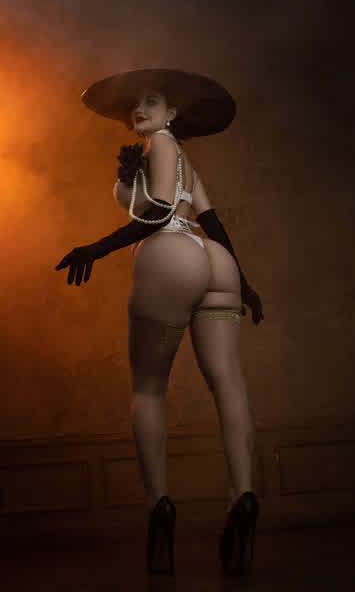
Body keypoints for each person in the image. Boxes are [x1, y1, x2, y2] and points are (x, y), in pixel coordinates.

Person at [54, 68, 264, 576]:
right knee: (229, 382)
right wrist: (243, 282)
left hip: (171, 253)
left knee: (148, 389)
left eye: (151, 101)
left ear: (172, 113)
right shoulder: (180, 157)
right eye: (134, 105)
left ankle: (160, 510)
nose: (138, 110)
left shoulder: (164, 144)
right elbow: (211, 222)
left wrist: (96, 248)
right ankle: (243, 499)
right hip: (212, 259)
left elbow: (163, 211)